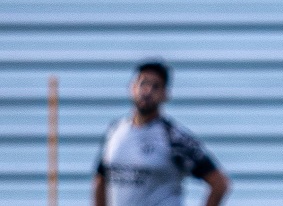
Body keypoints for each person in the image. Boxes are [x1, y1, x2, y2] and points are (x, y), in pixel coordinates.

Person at [93, 61, 230, 206]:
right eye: (143, 83)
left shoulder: (174, 139)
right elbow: (101, 179)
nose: (147, 91)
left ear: (165, 94)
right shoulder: (116, 131)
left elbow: (219, 183)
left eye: (155, 86)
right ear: (132, 88)